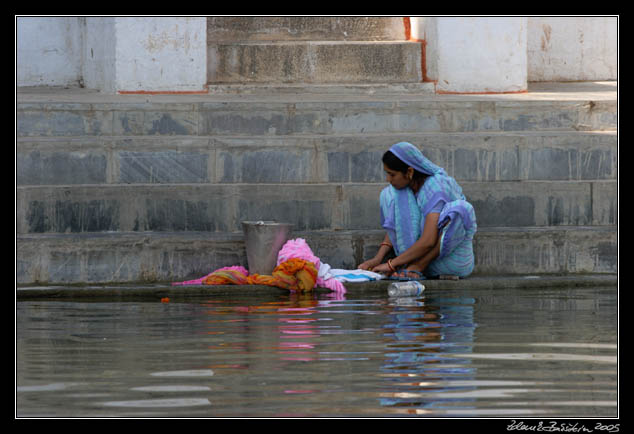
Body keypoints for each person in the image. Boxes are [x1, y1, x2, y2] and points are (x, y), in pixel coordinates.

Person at [358, 142, 477, 280]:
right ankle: (410, 265)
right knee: (389, 194)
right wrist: (377, 259)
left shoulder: (435, 186)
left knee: (462, 210)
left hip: (446, 260)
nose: (388, 179)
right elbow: (397, 225)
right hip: (409, 260)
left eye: (392, 174)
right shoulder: (408, 189)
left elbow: (428, 240)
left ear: (409, 172)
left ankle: (418, 266)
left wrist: (391, 264)